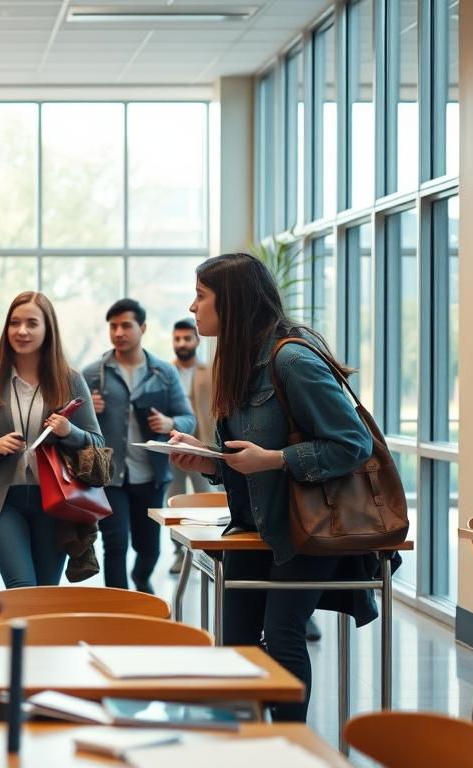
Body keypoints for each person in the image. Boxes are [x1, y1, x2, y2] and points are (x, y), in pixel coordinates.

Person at [169, 252, 378, 723]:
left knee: (283, 634)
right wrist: (209, 459)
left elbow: (353, 444)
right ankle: (246, 747)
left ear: (234, 302)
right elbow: (247, 461)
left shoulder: (292, 359)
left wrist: (277, 459)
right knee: (237, 644)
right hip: (255, 525)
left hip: (305, 528)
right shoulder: (238, 361)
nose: (192, 306)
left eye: (201, 296)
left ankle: (288, 747)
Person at [0, 291, 104, 587]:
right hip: (0, 502)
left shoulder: (70, 380)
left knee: (46, 594)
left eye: (31, 323)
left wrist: (68, 432)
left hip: (54, 501)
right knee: (22, 589)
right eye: (14, 323)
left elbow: (96, 443)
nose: (22, 331)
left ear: (47, 329)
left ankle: (36, 636)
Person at [83, 299, 194, 593]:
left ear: (142, 328)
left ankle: (142, 578)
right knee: (115, 544)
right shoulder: (93, 373)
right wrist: (87, 412)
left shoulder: (163, 372)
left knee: (149, 548)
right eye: (113, 326)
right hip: (109, 476)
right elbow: (71, 425)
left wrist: (170, 424)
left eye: (125, 325)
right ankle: (119, 607)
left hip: (152, 474)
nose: (118, 332)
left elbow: (188, 419)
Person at [166, 317, 214, 575]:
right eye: (177, 338)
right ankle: (178, 553)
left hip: (203, 446)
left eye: (187, 338)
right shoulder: (165, 371)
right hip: (173, 447)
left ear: (196, 340)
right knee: (174, 500)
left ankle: (208, 550)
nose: (182, 343)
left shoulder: (212, 370)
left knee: (205, 498)